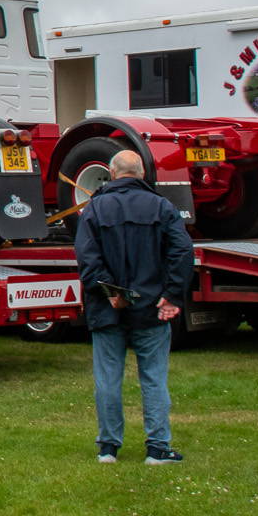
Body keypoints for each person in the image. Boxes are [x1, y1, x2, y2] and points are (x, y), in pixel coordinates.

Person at [73, 149, 195, 464]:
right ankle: (157, 447)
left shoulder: (95, 208)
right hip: (151, 304)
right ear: (141, 173)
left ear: (112, 174)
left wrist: (108, 291)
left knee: (108, 378)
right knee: (154, 377)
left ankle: (108, 448)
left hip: (106, 306)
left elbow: (87, 258)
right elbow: (182, 250)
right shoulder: (162, 206)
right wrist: (171, 294)